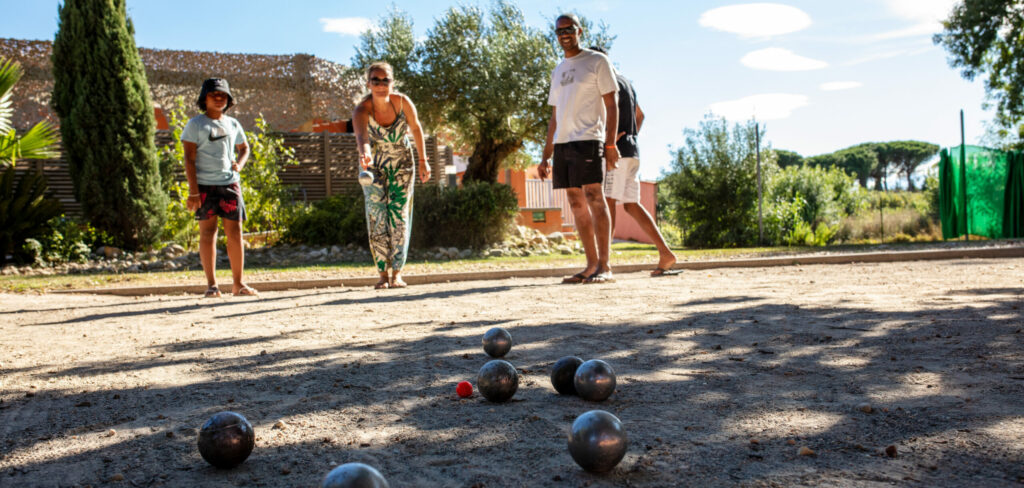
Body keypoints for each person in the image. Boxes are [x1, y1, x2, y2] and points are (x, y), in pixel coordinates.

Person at [539, 13, 619, 284]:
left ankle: (606, 266)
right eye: (559, 31)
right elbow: (554, 116)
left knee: (595, 196)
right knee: (575, 202)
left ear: (579, 31)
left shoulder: (597, 61)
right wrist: (545, 155)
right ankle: (590, 265)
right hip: (563, 143)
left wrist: (610, 144)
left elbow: (611, 105)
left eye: (569, 29)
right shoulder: (558, 70)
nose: (564, 34)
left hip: (589, 139)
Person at [589, 46, 678, 276]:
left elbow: (610, 111)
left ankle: (603, 263)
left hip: (616, 151)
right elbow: (640, 115)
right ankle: (665, 253)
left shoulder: (608, 82)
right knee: (630, 204)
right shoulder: (627, 82)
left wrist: (612, 140)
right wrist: (631, 134)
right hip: (633, 151)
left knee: (607, 202)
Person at [351, 62, 431, 289]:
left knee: (399, 215)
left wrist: (424, 160)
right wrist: (365, 155)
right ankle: (382, 275)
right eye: (375, 80)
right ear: (368, 84)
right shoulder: (361, 110)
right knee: (376, 216)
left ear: (391, 82)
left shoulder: (402, 102)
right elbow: (362, 139)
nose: (381, 85)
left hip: (403, 164)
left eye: (385, 80)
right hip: (373, 166)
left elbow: (416, 129)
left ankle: (397, 273)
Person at [181, 78, 257, 298]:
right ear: (204, 98)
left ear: (229, 99)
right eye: (213, 94)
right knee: (208, 232)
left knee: (235, 232)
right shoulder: (195, 124)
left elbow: (245, 148)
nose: (218, 98)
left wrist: (239, 166)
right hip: (204, 186)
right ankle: (212, 285)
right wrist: (193, 192)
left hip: (230, 184)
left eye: (223, 95)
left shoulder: (233, 124)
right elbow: (188, 158)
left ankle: (239, 284)